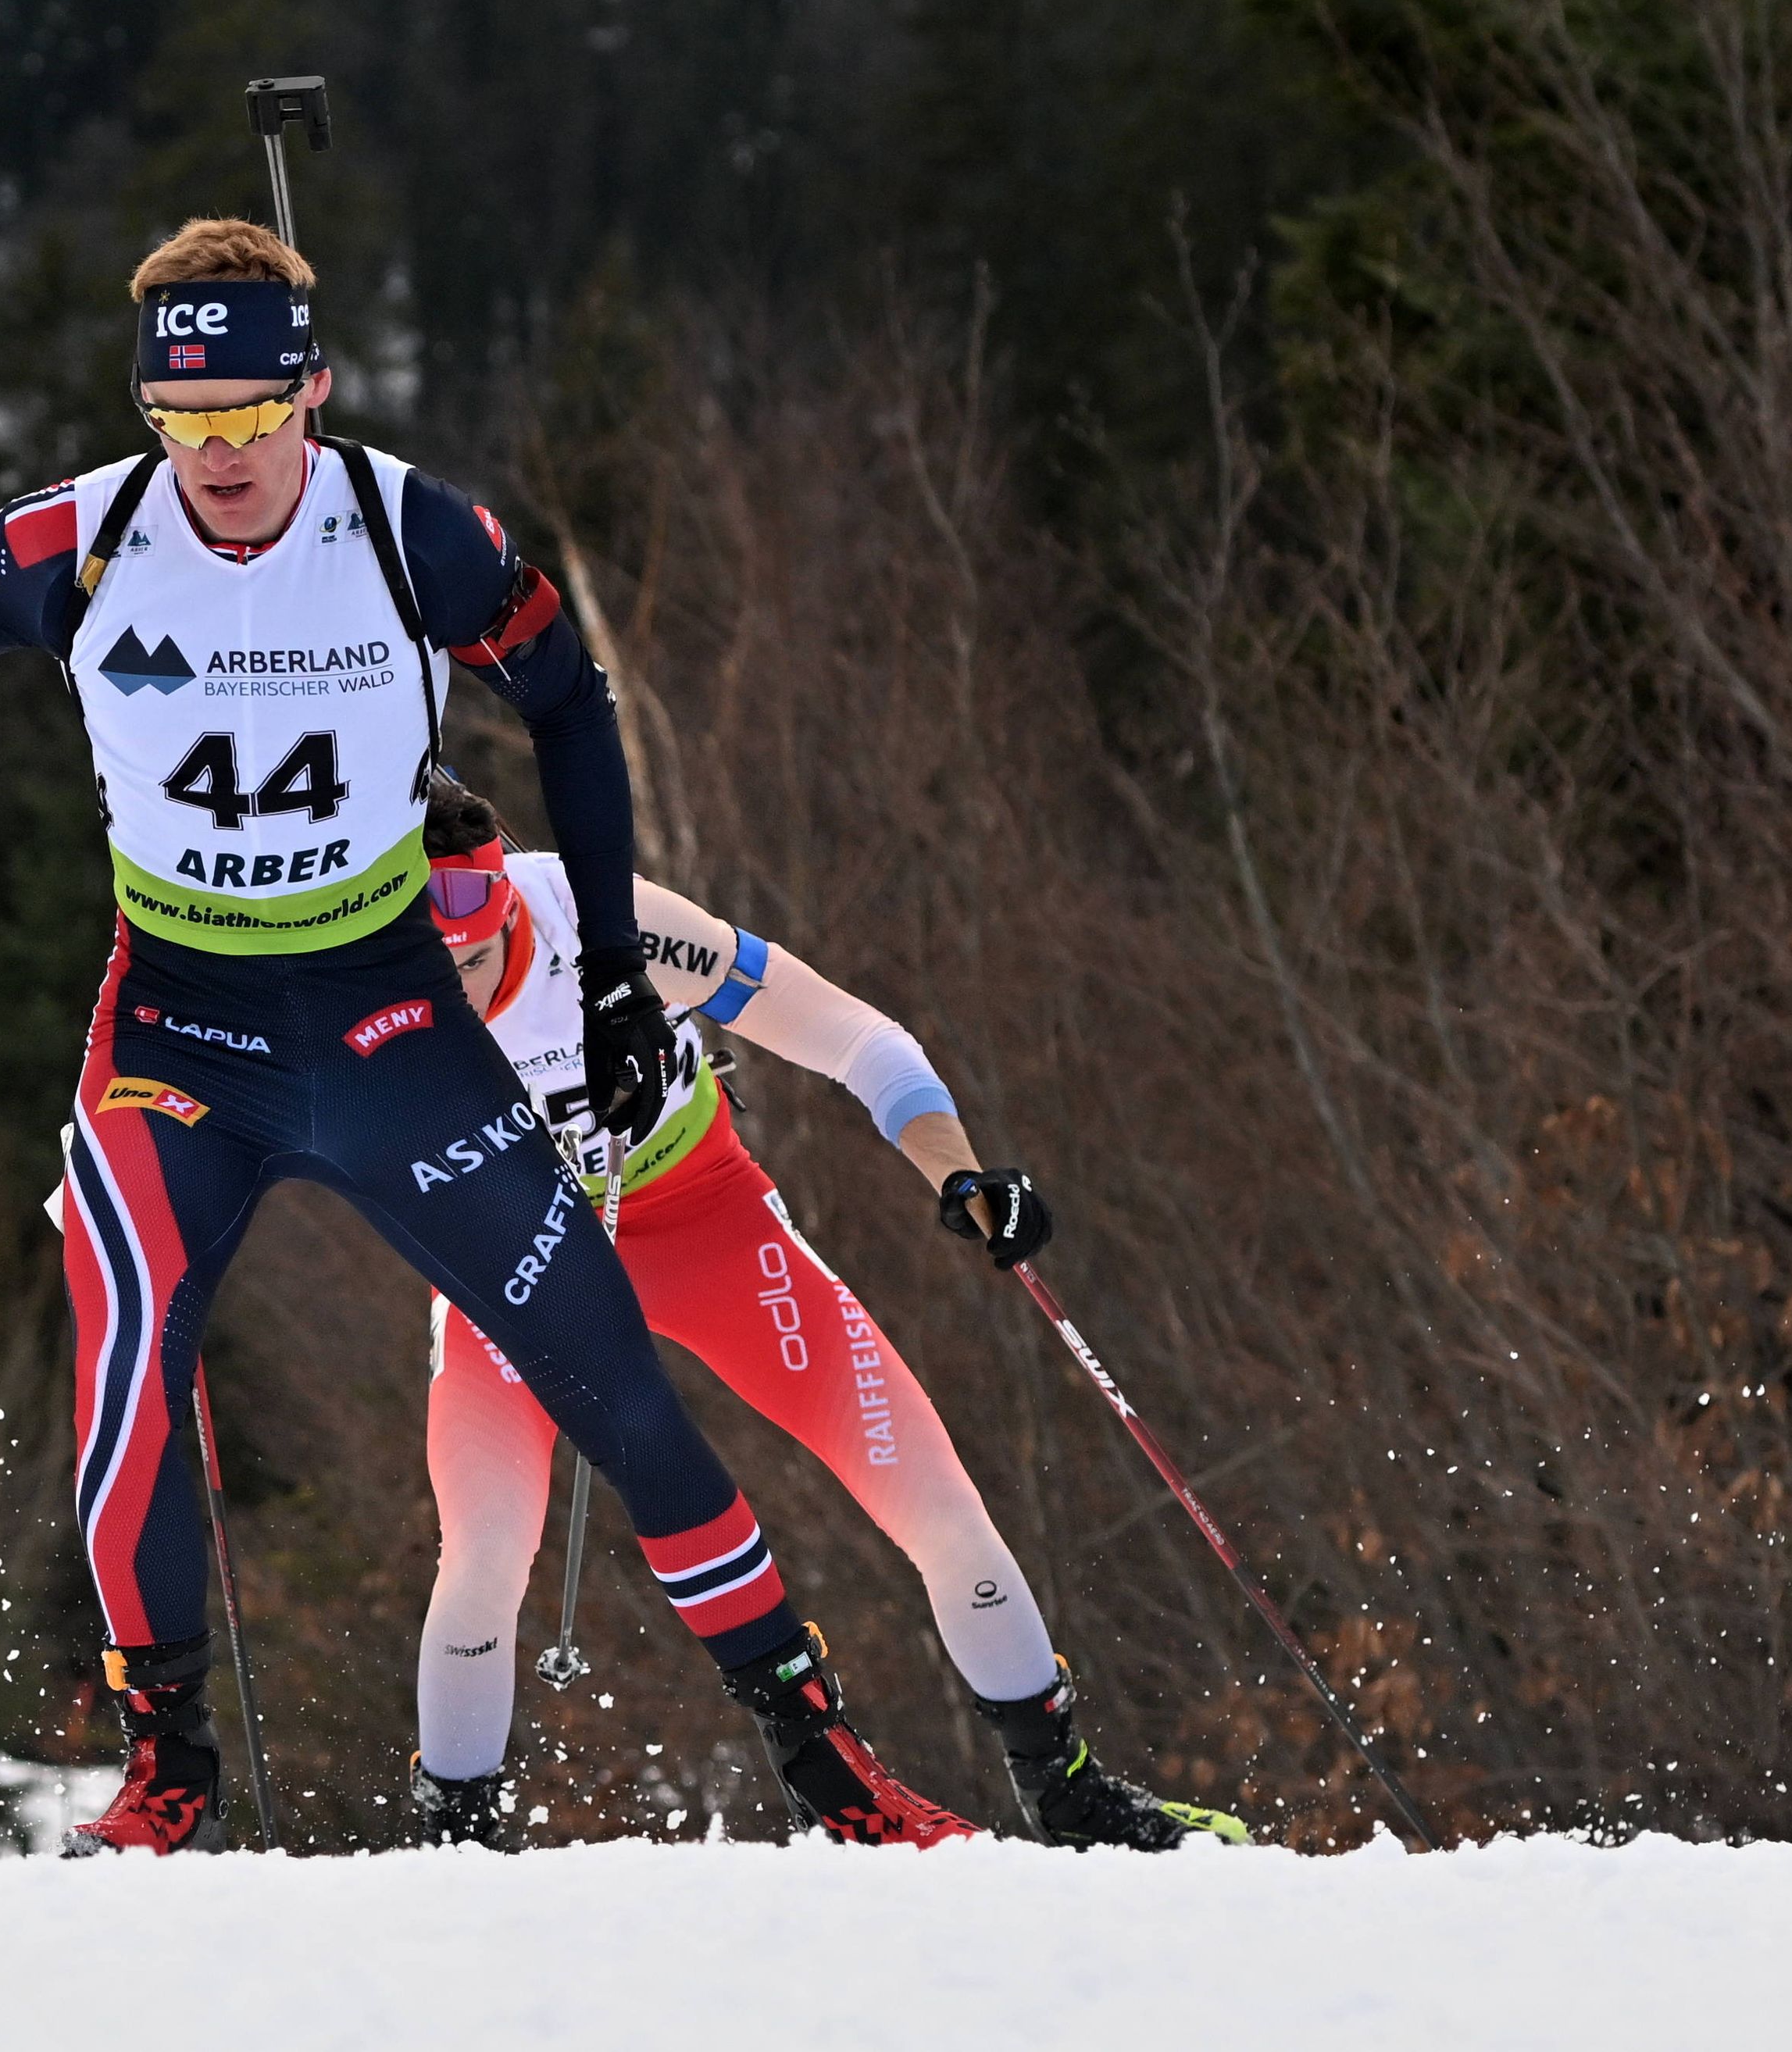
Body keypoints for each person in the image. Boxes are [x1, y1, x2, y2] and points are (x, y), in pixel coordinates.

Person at [0, 219, 912, 1855]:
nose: (215, 456)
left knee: (610, 1373)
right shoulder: (79, 540)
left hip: (383, 1014)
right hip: (177, 1027)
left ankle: (833, 1773)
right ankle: (165, 1772)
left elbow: (568, 698)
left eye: (247, 417)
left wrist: (618, 980)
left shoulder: (409, 530)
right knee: (128, 1362)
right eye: (180, 420)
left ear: (313, 393)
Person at [406, 782, 1248, 1852]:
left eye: (472, 964)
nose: (456, 997)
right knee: (483, 1551)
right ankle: (456, 1847)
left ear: (508, 912)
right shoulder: (349, 972)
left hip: (697, 1215)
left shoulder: (603, 920)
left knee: (933, 1497)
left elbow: (857, 1036)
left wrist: (959, 1175)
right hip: (507, 1255)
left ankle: (1070, 1792)